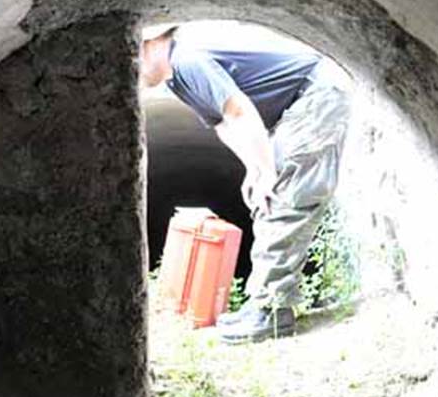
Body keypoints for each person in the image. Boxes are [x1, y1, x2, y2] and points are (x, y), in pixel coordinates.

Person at [139, 21, 353, 343]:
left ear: (153, 41)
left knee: (284, 193)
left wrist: (266, 171)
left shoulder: (188, 59)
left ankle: (272, 311)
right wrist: (253, 169)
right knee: (268, 195)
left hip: (315, 92)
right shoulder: (177, 81)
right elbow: (223, 124)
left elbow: (239, 111)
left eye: (134, 53)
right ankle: (264, 303)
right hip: (294, 105)